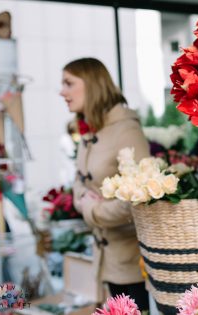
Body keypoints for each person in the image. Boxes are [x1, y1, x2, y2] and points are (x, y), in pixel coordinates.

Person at [59, 57, 150, 311]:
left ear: (91, 84)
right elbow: (79, 182)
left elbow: (140, 199)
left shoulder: (125, 130)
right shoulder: (91, 131)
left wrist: (93, 210)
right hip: (105, 260)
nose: (61, 92)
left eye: (68, 83)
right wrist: (85, 200)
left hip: (132, 263)